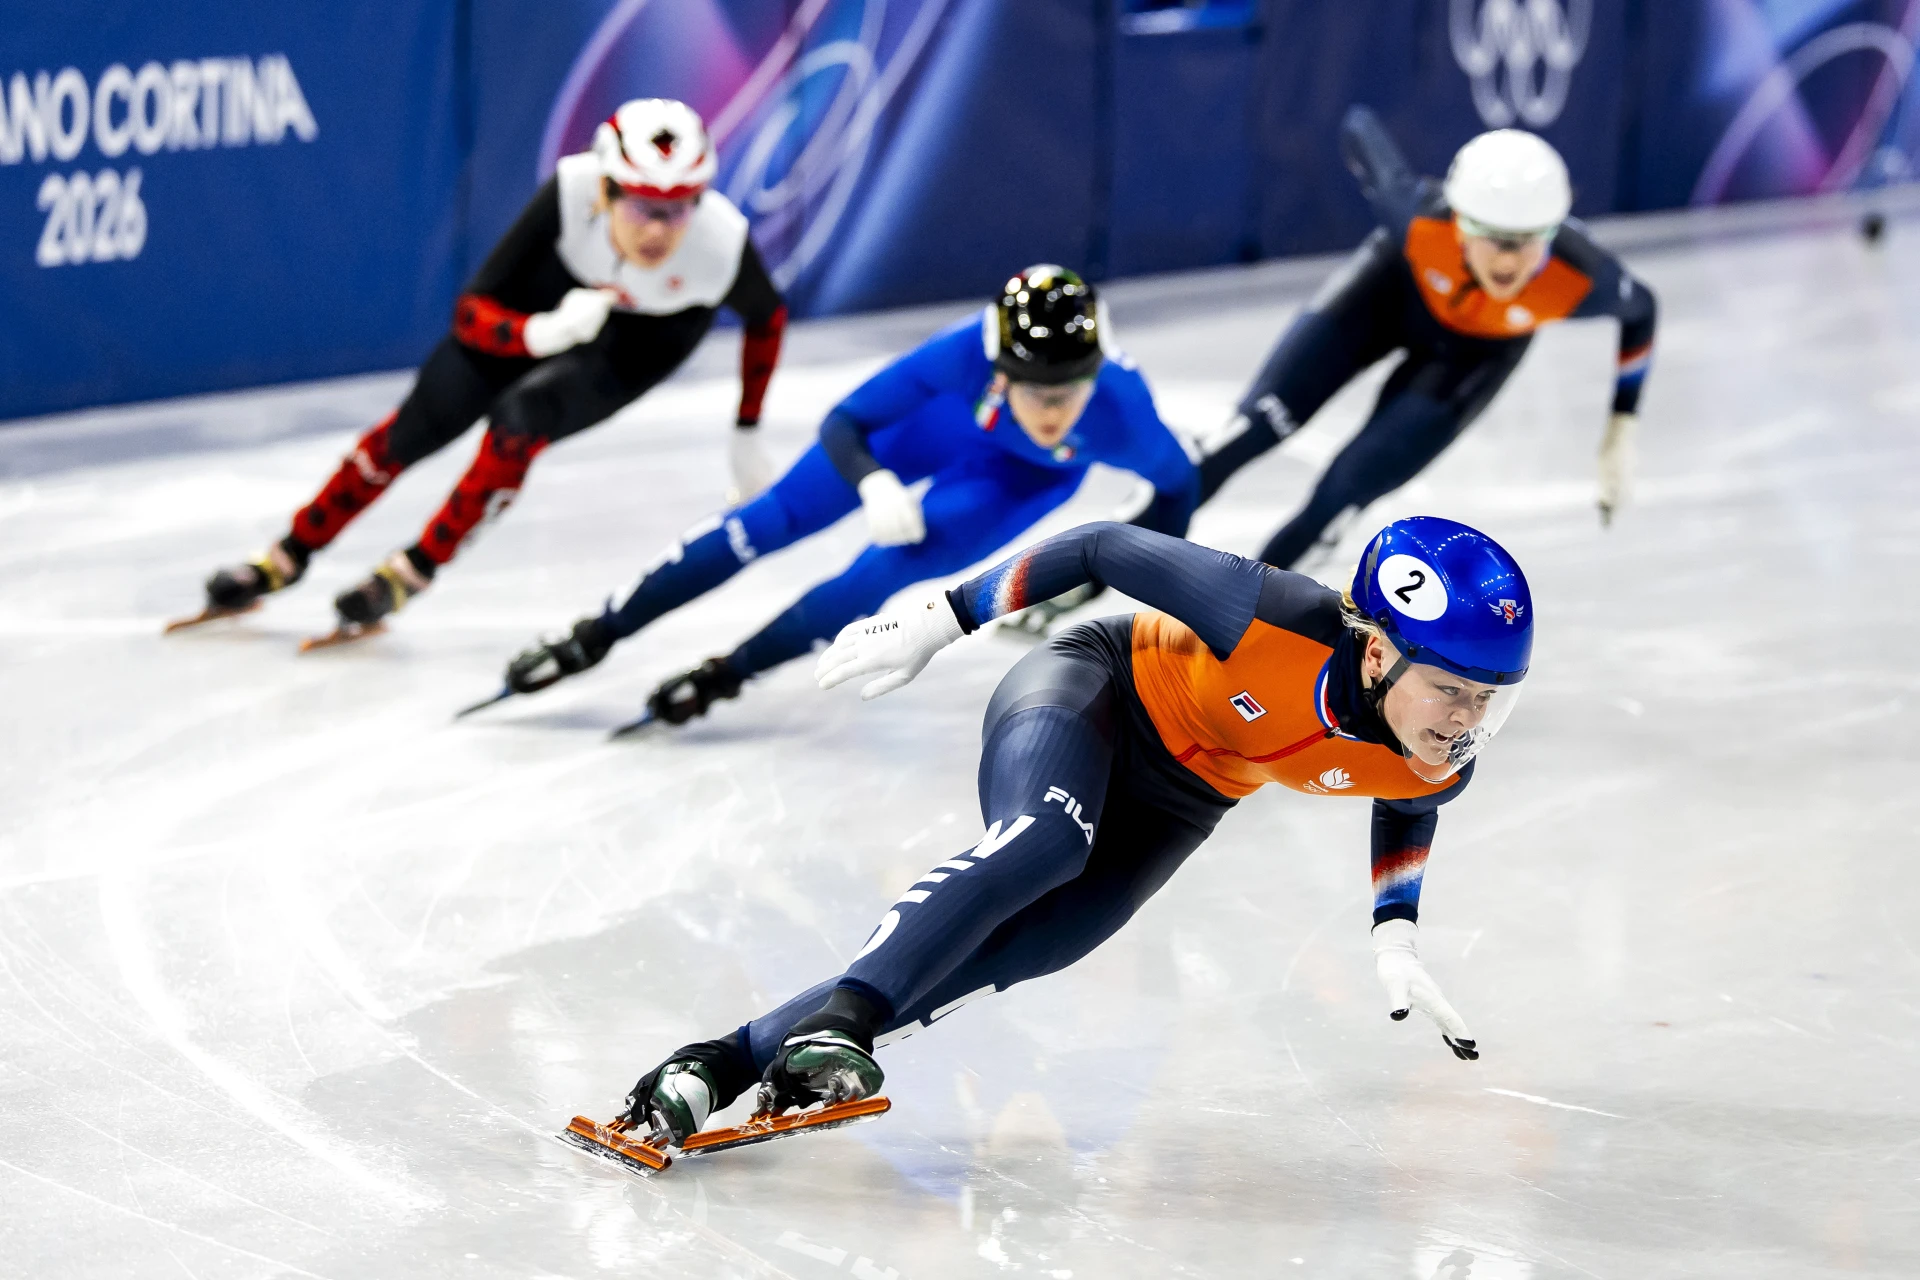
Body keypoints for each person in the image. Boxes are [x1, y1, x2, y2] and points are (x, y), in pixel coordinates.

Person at [607, 514, 1533, 1145]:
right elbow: (1099, 548)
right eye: (1451, 687)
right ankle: (846, 1020)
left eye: (1487, 697)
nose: (1465, 717)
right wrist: (942, 618)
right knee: (1045, 844)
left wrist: (1396, 933)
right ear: (1378, 650)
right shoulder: (1267, 613)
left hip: (1185, 798)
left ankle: (720, 1063)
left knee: (1044, 941)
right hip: (1096, 691)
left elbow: (1406, 811)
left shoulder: (1437, 755)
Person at [499, 265, 1200, 726]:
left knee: (882, 572)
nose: (1051, 409)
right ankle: (598, 632)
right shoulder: (959, 355)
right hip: (936, 427)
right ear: (996, 368)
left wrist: (1137, 593)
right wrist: (870, 477)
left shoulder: (1125, 416)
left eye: (1068, 392)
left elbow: (1178, 491)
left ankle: (729, 673)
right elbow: (848, 423)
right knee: (768, 520)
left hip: (1024, 476)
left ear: (1097, 375)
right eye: (1033, 389)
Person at [190, 98, 787, 634]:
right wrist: (537, 333)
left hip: (641, 343)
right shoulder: (569, 192)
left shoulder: (721, 245)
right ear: (604, 190)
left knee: (519, 420)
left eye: (678, 209)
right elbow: (470, 312)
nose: (658, 230)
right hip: (540, 314)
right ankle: (287, 555)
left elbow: (767, 319)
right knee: (416, 427)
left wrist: (747, 431)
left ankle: (414, 570)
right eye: (641, 207)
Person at [1199, 106, 1657, 568]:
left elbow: (1643, 312)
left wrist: (1622, 427)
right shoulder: (1416, 214)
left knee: (1341, 495)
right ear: (1460, 222)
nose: (1509, 261)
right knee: (1245, 434)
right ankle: (1125, 557)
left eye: (1528, 239)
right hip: (1385, 297)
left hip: (1473, 359)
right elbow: (1358, 125)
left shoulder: (1581, 277)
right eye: (1493, 237)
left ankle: (1243, 633)